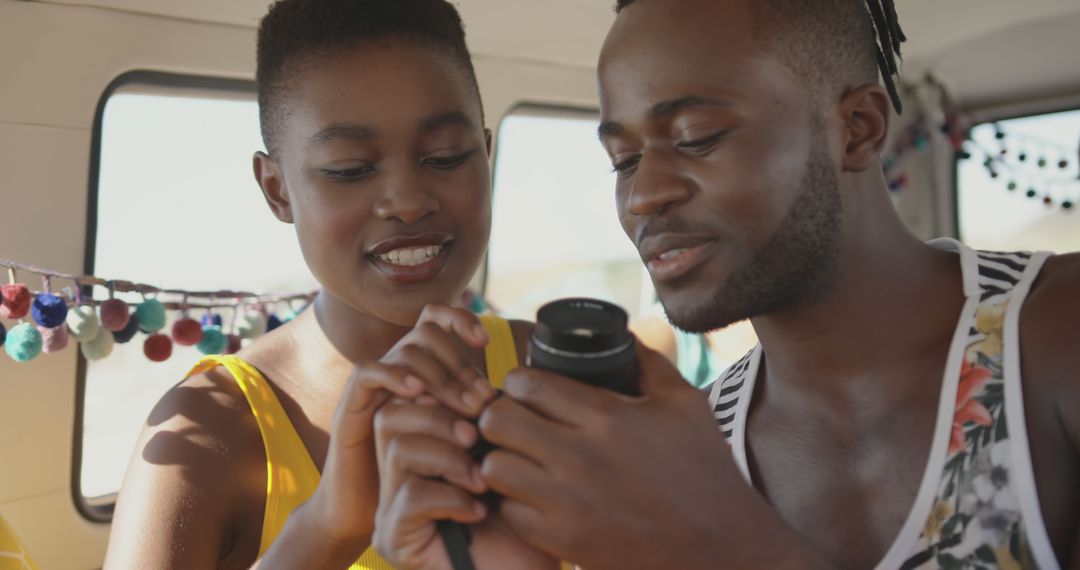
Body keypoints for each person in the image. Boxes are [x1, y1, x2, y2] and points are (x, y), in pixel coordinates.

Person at [372, 0, 1080, 568]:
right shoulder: (693, 438)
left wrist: (716, 545)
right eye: (622, 160)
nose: (643, 195)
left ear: (857, 130)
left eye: (696, 137)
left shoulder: (1053, 336)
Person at [103, 1, 556, 568]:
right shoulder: (206, 437)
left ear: (486, 155)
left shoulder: (551, 376)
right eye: (350, 169)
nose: (409, 202)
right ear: (278, 190)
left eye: (446, 157)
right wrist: (326, 530)